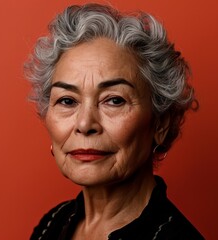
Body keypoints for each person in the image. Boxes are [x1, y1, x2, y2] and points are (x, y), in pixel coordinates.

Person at [25, 3, 203, 240]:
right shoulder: (54, 224)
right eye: (67, 101)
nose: (85, 124)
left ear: (160, 124)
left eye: (114, 100)